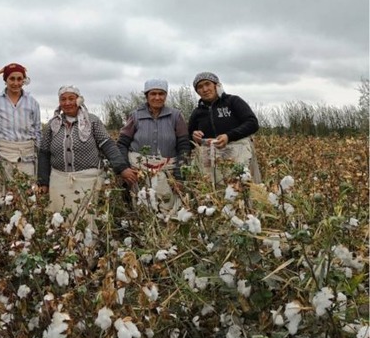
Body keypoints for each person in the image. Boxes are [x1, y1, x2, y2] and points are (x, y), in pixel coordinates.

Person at [37, 86, 137, 232]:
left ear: (79, 100)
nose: (67, 103)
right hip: (59, 180)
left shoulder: (92, 121)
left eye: (71, 98)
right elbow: (44, 153)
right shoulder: (53, 124)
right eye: (63, 99)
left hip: (87, 180)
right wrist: (43, 181)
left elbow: (107, 145)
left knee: (85, 219)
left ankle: (87, 250)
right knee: (60, 217)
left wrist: (122, 168)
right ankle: (64, 250)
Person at [117, 79, 190, 213]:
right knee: (142, 208)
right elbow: (122, 144)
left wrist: (179, 176)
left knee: (167, 207)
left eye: (161, 94)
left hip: (167, 171)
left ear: (166, 95)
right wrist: (124, 168)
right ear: (147, 96)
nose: (157, 97)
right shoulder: (136, 116)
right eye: (153, 94)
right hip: (139, 171)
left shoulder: (175, 116)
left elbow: (184, 146)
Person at [188, 71, 261, 184]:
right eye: (200, 87)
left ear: (216, 85)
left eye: (207, 84)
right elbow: (188, 138)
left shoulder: (232, 101)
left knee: (241, 188)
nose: (205, 89)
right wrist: (194, 137)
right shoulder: (197, 113)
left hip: (238, 154)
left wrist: (228, 136)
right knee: (216, 190)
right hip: (211, 160)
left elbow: (252, 123)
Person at [0, 63, 41, 202]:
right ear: (5, 80)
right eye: (12, 79)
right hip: (2, 153)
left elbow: (37, 131)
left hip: (26, 155)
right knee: (0, 192)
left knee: (26, 192)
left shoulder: (32, 103)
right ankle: (3, 221)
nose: (16, 83)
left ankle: (23, 221)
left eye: (19, 79)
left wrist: (40, 156)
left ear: (24, 80)